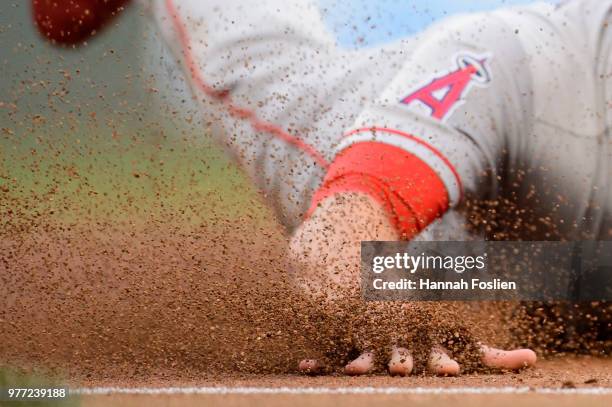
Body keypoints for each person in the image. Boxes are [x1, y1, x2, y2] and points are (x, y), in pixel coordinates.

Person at [33, 0, 612, 376]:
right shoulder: (522, 62)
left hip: (557, 262)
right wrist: (380, 295)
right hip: (382, 160)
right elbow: (340, 237)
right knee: (260, 56)